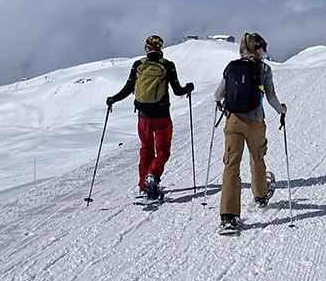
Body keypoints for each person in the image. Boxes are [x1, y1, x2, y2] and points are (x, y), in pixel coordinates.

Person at [214, 32, 287, 235]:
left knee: (231, 165)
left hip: (233, 121)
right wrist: (282, 110)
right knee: (257, 158)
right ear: (257, 48)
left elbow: (218, 94)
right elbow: (271, 96)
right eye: (263, 47)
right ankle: (261, 195)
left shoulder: (231, 67)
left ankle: (228, 217)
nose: (265, 50)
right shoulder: (264, 68)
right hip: (255, 122)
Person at [106, 34, 194, 199]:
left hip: (143, 116)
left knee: (146, 149)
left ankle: (143, 184)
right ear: (160, 48)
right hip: (162, 116)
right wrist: (188, 88)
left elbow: (128, 88)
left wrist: (113, 99)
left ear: (146, 48)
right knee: (163, 151)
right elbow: (177, 91)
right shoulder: (168, 65)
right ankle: (152, 175)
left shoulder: (138, 65)